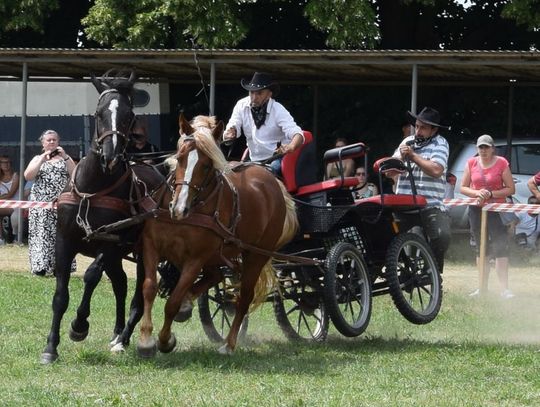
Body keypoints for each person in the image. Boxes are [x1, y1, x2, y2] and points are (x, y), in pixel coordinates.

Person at [390, 106, 451, 272]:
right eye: (416, 126)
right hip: (404, 204)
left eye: (423, 127)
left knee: (441, 237)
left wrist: (413, 156)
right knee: (397, 243)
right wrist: (400, 159)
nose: (418, 131)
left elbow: (436, 170)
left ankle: (433, 274)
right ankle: (404, 274)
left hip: (430, 205)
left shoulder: (441, 143)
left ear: (434, 129)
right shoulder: (406, 142)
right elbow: (389, 172)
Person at [459, 134, 516, 299]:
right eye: (480, 147)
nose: (483, 150)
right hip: (476, 210)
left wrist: (491, 193)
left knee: (500, 247)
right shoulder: (471, 162)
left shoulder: (502, 163)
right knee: (480, 247)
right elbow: (463, 188)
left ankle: (505, 289)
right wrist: (478, 193)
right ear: (477, 149)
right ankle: (482, 288)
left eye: (486, 147)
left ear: (492, 148)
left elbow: (511, 189)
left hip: (496, 210)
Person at [223, 72, 304, 175]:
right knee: (230, 175)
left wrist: (291, 146)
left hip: (276, 159)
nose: (254, 97)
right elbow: (233, 125)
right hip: (253, 159)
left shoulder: (278, 110)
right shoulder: (241, 105)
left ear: (269, 94)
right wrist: (230, 132)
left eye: (259, 93)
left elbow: (297, 133)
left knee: (269, 173)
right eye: (251, 92)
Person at [24, 129, 76, 276]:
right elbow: (28, 175)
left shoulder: (66, 159)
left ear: (58, 142)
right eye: (49, 140)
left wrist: (65, 156)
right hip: (41, 204)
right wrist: (42, 159)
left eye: (54, 140)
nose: (52, 142)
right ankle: (40, 266)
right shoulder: (37, 158)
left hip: (61, 204)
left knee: (61, 235)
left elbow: (75, 174)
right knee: (41, 235)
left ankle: (61, 267)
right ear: (43, 143)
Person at [0, 155, 20, 244]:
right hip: (3, 204)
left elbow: (10, 194)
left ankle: (12, 238)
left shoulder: (16, 176)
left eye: (8, 162)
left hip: (15, 205)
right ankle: (1, 238)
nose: (6, 164)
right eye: (3, 162)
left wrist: (3, 196)